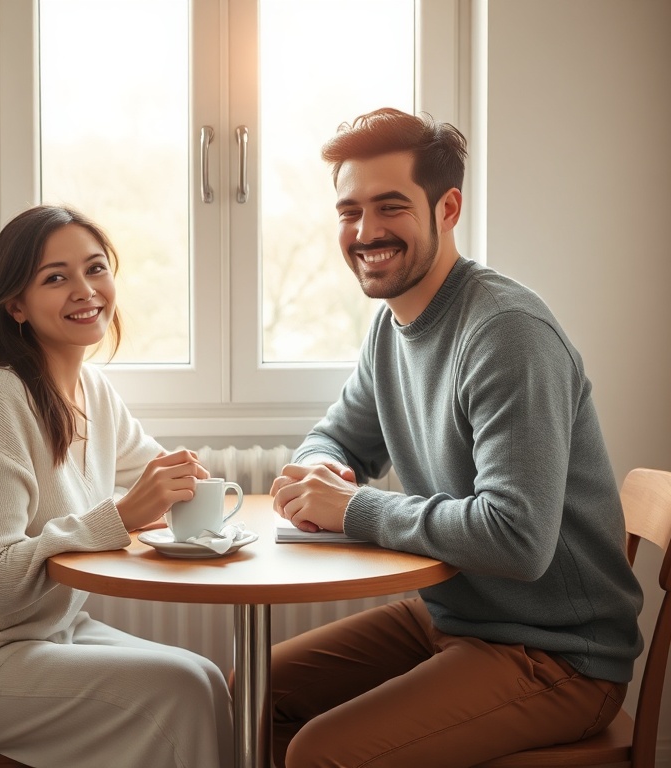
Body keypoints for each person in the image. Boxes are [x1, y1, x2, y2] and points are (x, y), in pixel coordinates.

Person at [268, 108, 644, 768]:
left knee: (318, 755)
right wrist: (323, 472)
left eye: (390, 207)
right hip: (452, 618)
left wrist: (354, 509)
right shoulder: (391, 328)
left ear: (447, 208)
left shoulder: (506, 333)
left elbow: (518, 539)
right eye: (350, 211)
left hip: (558, 655)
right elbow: (335, 436)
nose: (366, 232)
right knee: (249, 691)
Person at [0, 204, 232, 768]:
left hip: (49, 632)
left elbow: (162, 471)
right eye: (55, 277)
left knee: (208, 679)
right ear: (16, 306)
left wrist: (197, 482)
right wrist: (122, 516)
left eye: (95, 269)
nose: (85, 290)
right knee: (181, 692)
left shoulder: (92, 390)